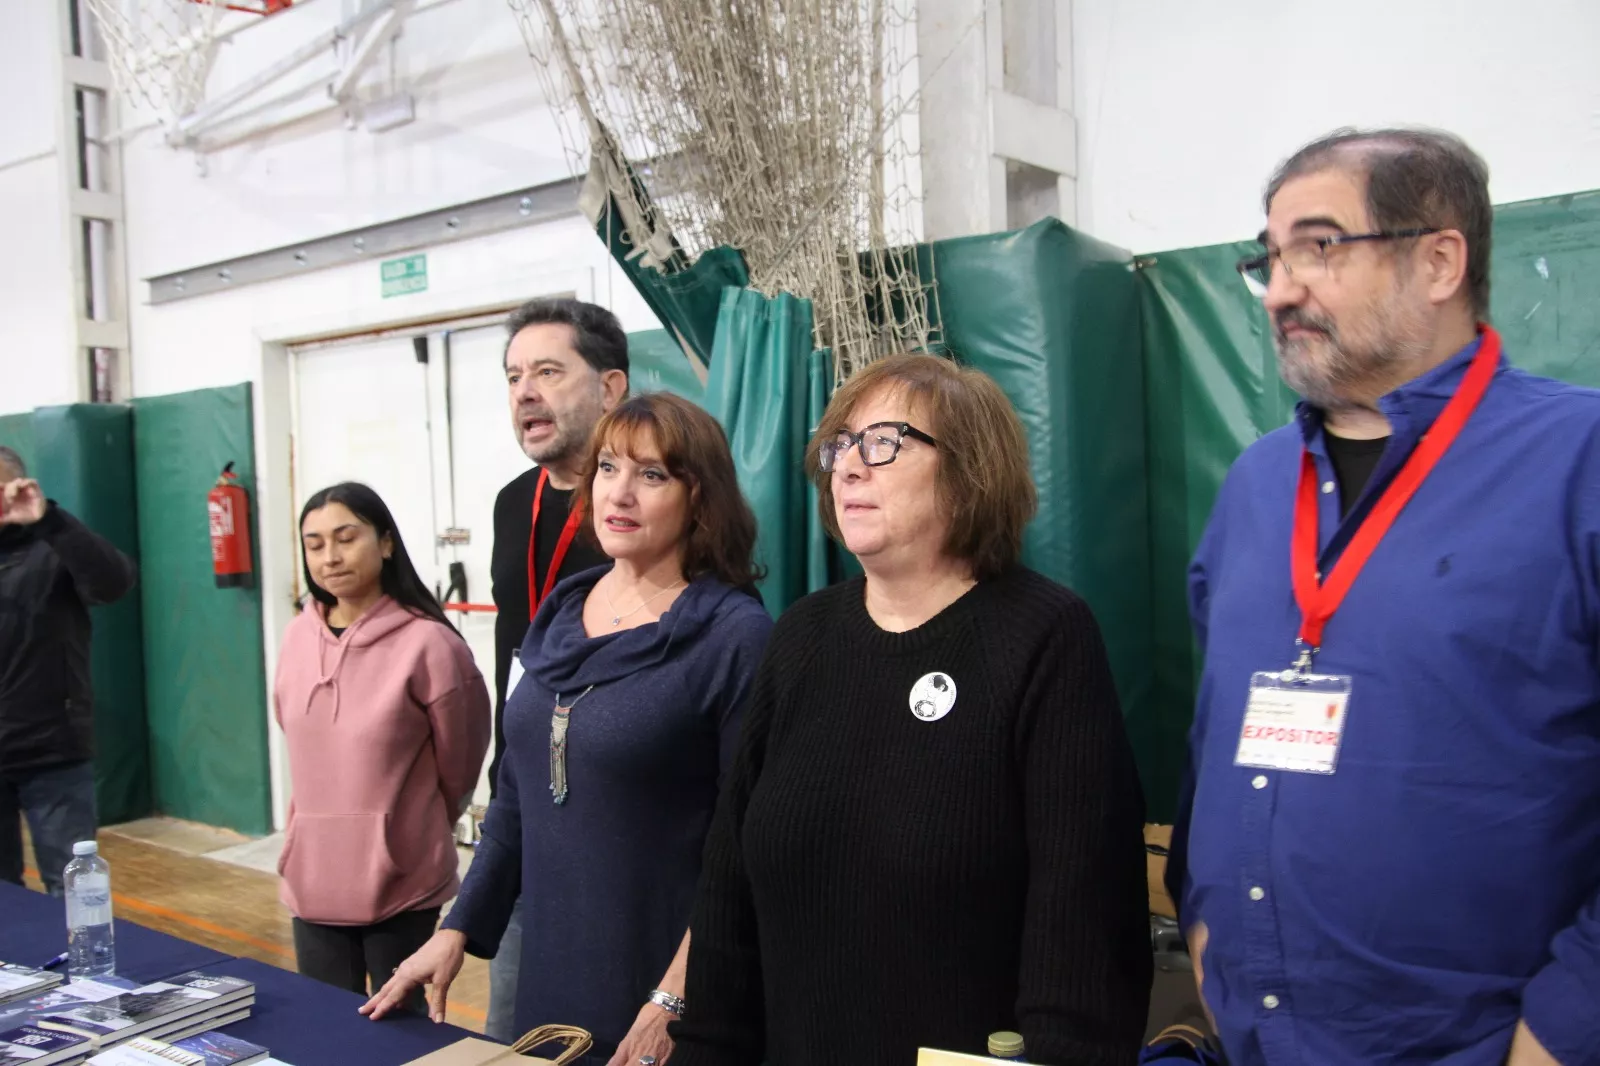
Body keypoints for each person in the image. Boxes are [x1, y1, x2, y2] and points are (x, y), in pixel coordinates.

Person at [1169, 127, 1600, 1066]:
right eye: (1270, 258)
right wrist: (1203, 927)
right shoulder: (1253, 487)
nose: (1281, 290)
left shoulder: (1581, 466)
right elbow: (1213, 742)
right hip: (1256, 1038)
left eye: (1319, 248)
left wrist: (1565, 1030)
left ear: (1439, 259)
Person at [667, 354, 1152, 1066]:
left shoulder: (1044, 636)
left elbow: (1082, 923)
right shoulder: (803, 633)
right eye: (840, 445)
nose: (850, 468)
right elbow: (729, 883)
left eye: (885, 443)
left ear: (967, 470)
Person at [365, 393, 774, 1066]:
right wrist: (459, 925)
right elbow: (516, 800)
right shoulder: (561, 612)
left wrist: (675, 999)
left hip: (667, 993)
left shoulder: (733, 637)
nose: (621, 492)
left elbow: (748, 847)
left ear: (700, 497)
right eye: (609, 467)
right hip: (552, 974)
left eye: (653, 474)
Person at [276, 482, 490, 1013]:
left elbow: (460, 765)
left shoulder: (431, 644)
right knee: (325, 1031)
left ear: (386, 543)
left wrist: (403, 831)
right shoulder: (295, 638)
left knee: (402, 1036)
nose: (330, 557)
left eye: (346, 538)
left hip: (401, 881)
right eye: (315, 543)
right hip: (314, 880)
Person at [485, 298, 629, 1043]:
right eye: (513, 376)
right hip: (521, 806)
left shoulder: (650, 508)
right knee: (510, 1031)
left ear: (610, 388)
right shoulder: (515, 503)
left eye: (547, 371)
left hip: (618, 823)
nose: (524, 392)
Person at [0, 448, 136, 897]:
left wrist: (48, 520)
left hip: (53, 754)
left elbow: (114, 582)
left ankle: (82, 971)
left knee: (75, 892)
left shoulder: (53, 547)